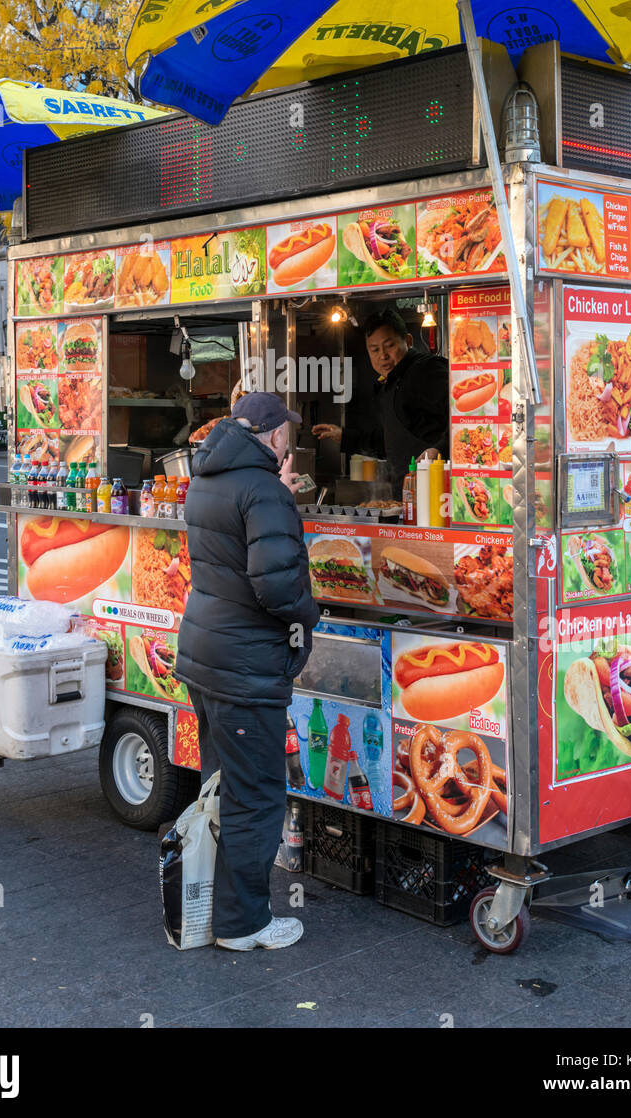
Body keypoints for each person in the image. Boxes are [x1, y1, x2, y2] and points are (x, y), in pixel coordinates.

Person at [175, 391, 319, 951]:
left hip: (206, 655)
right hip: (245, 667)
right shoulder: (263, 491)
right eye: (287, 430)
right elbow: (276, 585)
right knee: (256, 796)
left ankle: (220, 908)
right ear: (272, 434)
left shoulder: (208, 477)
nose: (291, 439)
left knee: (225, 787)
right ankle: (244, 924)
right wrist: (311, 613)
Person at [312, 307, 448, 493]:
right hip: (410, 495)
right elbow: (390, 442)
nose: (382, 356)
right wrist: (344, 436)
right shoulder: (391, 383)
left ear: (408, 341)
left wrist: (439, 450)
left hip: (439, 492)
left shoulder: (427, 371)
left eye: (389, 346)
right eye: (374, 349)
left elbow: (466, 418)